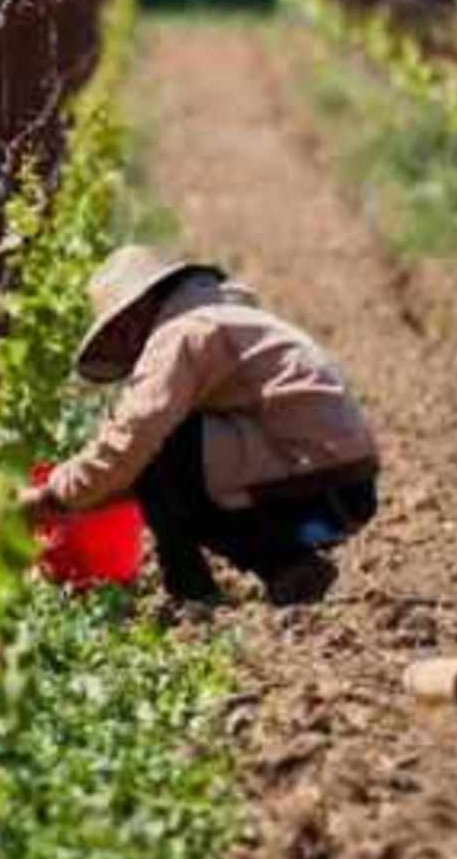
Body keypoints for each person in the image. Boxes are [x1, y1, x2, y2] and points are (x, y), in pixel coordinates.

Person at [22, 245, 380, 607]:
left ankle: (195, 591)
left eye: (121, 329)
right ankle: (287, 566)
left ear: (143, 307)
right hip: (342, 502)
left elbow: (133, 439)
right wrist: (78, 500)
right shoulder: (223, 320)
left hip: (314, 498)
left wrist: (52, 496)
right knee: (162, 459)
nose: (125, 345)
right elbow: (145, 479)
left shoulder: (181, 335)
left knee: (162, 445)